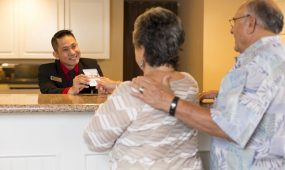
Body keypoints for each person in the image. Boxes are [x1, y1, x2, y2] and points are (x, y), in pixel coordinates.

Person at [131, 0, 285, 169]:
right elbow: (264, 105)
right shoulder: (276, 57)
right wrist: (225, 98)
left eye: (234, 21)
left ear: (250, 23)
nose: (231, 29)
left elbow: (228, 127)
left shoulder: (258, 65)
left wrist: (169, 101)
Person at [83, 7, 203, 169]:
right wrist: (118, 85)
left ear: (142, 49)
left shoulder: (129, 92)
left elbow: (94, 141)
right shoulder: (190, 83)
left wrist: (121, 90)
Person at [38, 30, 103, 94]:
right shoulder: (46, 70)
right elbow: (47, 91)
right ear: (56, 55)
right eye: (65, 49)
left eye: (74, 46)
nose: (72, 53)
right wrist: (71, 90)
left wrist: (105, 88)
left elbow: (101, 90)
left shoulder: (91, 65)